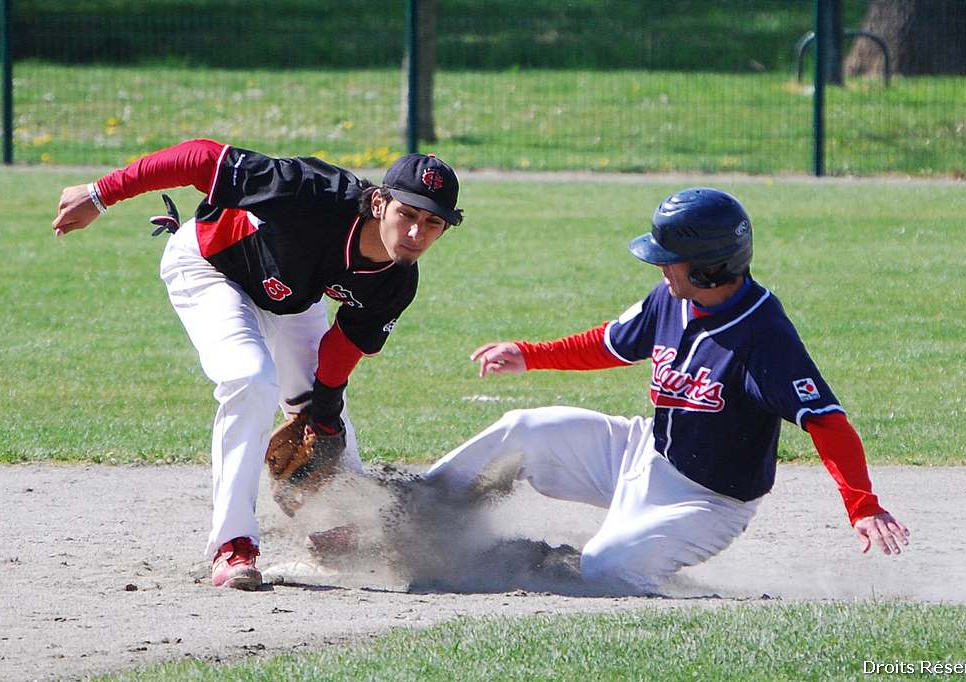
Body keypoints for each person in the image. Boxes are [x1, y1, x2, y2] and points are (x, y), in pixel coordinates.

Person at [422, 187, 909, 594]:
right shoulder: (672, 298)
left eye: (670, 260)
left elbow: (826, 419)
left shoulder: (762, 334)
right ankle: (415, 510)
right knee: (523, 428)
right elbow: (610, 344)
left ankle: (615, 575)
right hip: (641, 449)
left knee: (605, 567)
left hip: (706, 502)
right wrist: (531, 354)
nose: (660, 268)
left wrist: (862, 506)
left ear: (709, 267)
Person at [51, 139, 463, 590]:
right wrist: (99, 194)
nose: (415, 233)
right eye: (407, 214)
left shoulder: (397, 280)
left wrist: (321, 412)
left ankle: (337, 531)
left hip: (291, 300)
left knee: (326, 416)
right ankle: (234, 546)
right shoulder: (307, 192)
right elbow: (200, 158)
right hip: (211, 267)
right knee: (251, 380)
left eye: (432, 222)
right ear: (380, 202)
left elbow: (342, 347)